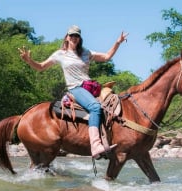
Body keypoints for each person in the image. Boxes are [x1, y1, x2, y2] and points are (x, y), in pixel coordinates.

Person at [18, 25, 128, 159]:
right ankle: (95, 145)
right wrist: (29, 61)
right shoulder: (60, 54)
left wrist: (117, 42)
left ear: (79, 38)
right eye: (72, 36)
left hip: (90, 87)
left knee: (112, 105)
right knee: (95, 107)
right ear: (67, 37)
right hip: (75, 88)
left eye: (77, 36)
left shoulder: (86, 53)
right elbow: (41, 67)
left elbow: (106, 57)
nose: (74, 38)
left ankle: (113, 138)